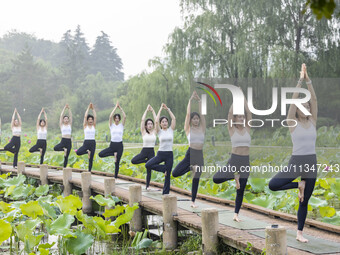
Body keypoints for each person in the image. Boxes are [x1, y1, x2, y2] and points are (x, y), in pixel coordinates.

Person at [269, 63, 317, 243]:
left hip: (311, 163)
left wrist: (308, 80)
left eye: (307, 105)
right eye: (301, 105)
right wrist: (299, 81)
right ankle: (299, 185)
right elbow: (292, 101)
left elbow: (314, 99)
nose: (306, 107)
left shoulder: (312, 121)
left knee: (304, 202)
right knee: (273, 184)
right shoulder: (292, 122)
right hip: (296, 162)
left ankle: (299, 233)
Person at [213, 92, 252, 222]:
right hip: (234, 160)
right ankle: (234, 176)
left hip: (245, 162)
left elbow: (249, 111)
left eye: (242, 116)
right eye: (239, 117)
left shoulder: (247, 128)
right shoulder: (232, 129)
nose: (241, 118)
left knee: (240, 190)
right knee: (216, 178)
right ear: (235, 119)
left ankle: (236, 214)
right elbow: (229, 114)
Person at [172, 91, 205, 207]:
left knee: (196, 178)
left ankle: (193, 201)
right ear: (191, 120)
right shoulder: (188, 129)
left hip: (199, 155)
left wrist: (200, 102)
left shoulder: (202, 129)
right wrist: (190, 101)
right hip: (190, 154)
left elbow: (202, 115)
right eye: (194, 119)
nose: (196, 120)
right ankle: (191, 167)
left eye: (197, 119)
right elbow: (187, 114)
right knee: (175, 173)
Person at [145, 103, 176, 195]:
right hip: (160, 154)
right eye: (163, 122)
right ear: (161, 124)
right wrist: (160, 109)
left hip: (169, 154)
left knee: (167, 177)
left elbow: (174, 119)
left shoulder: (171, 130)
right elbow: (156, 121)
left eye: (166, 121)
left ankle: (165, 194)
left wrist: (168, 109)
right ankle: (163, 169)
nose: (165, 123)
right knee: (148, 165)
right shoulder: (159, 131)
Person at [131, 104, 157, 190]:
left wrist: (153, 111)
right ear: (146, 126)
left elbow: (156, 121)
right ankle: (146, 161)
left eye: (151, 124)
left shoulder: (154, 132)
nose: (150, 125)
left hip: (151, 152)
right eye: (148, 124)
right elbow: (142, 120)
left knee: (149, 169)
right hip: (144, 151)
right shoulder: (144, 132)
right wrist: (146, 110)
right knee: (133, 161)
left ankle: (147, 186)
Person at [99, 102, 126, 178]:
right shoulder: (111, 125)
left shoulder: (121, 125)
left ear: (119, 119)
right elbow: (110, 116)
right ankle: (113, 154)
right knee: (100, 154)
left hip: (119, 145)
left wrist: (120, 108)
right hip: (112, 145)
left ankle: (115, 178)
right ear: (114, 119)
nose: (117, 119)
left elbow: (125, 116)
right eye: (116, 118)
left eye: (118, 118)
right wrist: (115, 108)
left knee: (117, 162)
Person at [76, 103, 97, 171]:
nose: (91, 120)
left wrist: (93, 109)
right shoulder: (85, 126)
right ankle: (87, 152)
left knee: (91, 159)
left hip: (93, 142)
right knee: (78, 152)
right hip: (86, 142)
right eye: (89, 119)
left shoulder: (94, 126)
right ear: (87, 120)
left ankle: (89, 171)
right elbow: (85, 116)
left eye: (92, 119)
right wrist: (88, 108)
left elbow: (95, 117)